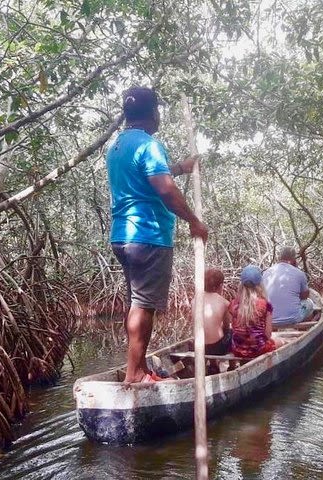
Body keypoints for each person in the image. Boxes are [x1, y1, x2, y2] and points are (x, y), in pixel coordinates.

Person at [107, 86, 208, 383]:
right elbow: (164, 190)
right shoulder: (149, 144)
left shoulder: (116, 146)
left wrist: (179, 167)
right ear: (153, 114)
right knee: (144, 305)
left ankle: (134, 370)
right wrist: (194, 221)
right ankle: (136, 373)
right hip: (147, 236)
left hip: (122, 236)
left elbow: (148, 178)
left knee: (136, 302)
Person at [229, 265, 279, 358]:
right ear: (260, 285)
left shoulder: (233, 304)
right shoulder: (266, 305)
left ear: (242, 285)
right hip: (259, 350)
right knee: (282, 342)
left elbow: (234, 328)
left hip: (237, 350)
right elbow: (268, 335)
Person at [262, 247, 314, 326]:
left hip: (269, 319)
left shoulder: (267, 272)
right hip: (293, 319)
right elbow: (305, 297)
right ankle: (303, 327)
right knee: (309, 303)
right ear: (293, 259)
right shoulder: (299, 273)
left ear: (279, 258)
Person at [198, 268, 231, 355]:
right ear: (220, 286)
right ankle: (232, 365)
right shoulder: (224, 302)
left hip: (199, 346)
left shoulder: (194, 301)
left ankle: (213, 365)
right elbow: (227, 326)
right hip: (217, 347)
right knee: (232, 332)